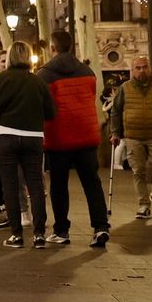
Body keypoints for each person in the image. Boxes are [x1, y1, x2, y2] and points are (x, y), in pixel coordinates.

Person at [0, 42, 56, 248]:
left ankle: (16, 234)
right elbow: (50, 112)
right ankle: (39, 234)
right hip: (33, 137)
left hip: (4, 136)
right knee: (35, 185)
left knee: (10, 185)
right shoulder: (37, 81)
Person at [39, 30, 111, 249]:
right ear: (71, 46)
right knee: (92, 182)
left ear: (52, 48)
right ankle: (100, 226)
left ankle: (61, 230)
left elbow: (44, 106)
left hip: (59, 137)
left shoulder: (44, 74)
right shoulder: (87, 71)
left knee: (59, 185)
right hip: (86, 135)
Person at [109, 56, 152, 220]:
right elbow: (116, 111)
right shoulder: (125, 88)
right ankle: (143, 204)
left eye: (145, 67)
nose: (142, 70)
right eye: (138, 68)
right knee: (138, 171)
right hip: (133, 136)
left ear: (150, 68)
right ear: (132, 70)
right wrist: (115, 132)